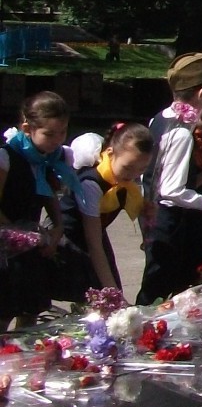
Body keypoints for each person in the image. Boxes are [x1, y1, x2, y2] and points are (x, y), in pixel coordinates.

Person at [140, 53, 202, 304]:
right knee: (159, 291)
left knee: (157, 285)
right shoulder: (181, 133)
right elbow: (171, 190)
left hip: (154, 218)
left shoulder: (161, 117)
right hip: (168, 223)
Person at [1, 92, 81, 323]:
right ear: (27, 129)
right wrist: (18, 233)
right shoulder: (7, 158)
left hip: (29, 245)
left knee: (30, 311)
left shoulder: (46, 158)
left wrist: (57, 229)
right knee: (4, 312)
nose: (57, 139)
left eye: (62, 132)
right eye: (49, 134)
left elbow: (47, 196)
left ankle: (24, 358)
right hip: (6, 250)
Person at [65, 121, 154, 293]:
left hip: (94, 237)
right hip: (70, 243)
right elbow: (94, 245)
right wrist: (112, 291)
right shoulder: (91, 185)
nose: (134, 175)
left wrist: (146, 212)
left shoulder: (124, 185)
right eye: (128, 168)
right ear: (110, 153)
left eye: (142, 169)